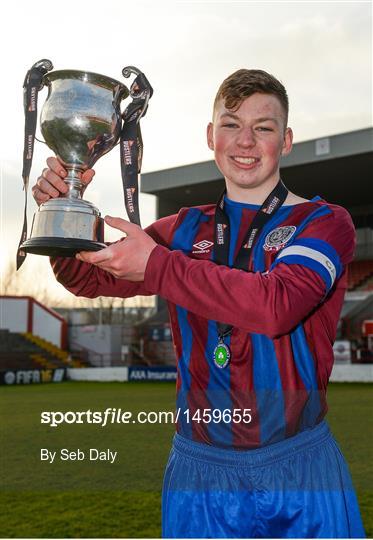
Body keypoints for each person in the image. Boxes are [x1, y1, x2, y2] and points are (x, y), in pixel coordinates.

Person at [32, 69, 365, 538]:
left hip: (298, 468)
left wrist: (159, 267)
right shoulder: (181, 231)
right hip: (200, 473)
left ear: (286, 140)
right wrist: (66, 211)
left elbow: (279, 306)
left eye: (263, 127)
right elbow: (86, 278)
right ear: (211, 136)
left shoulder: (324, 222)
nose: (245, 141)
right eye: (231, 124)